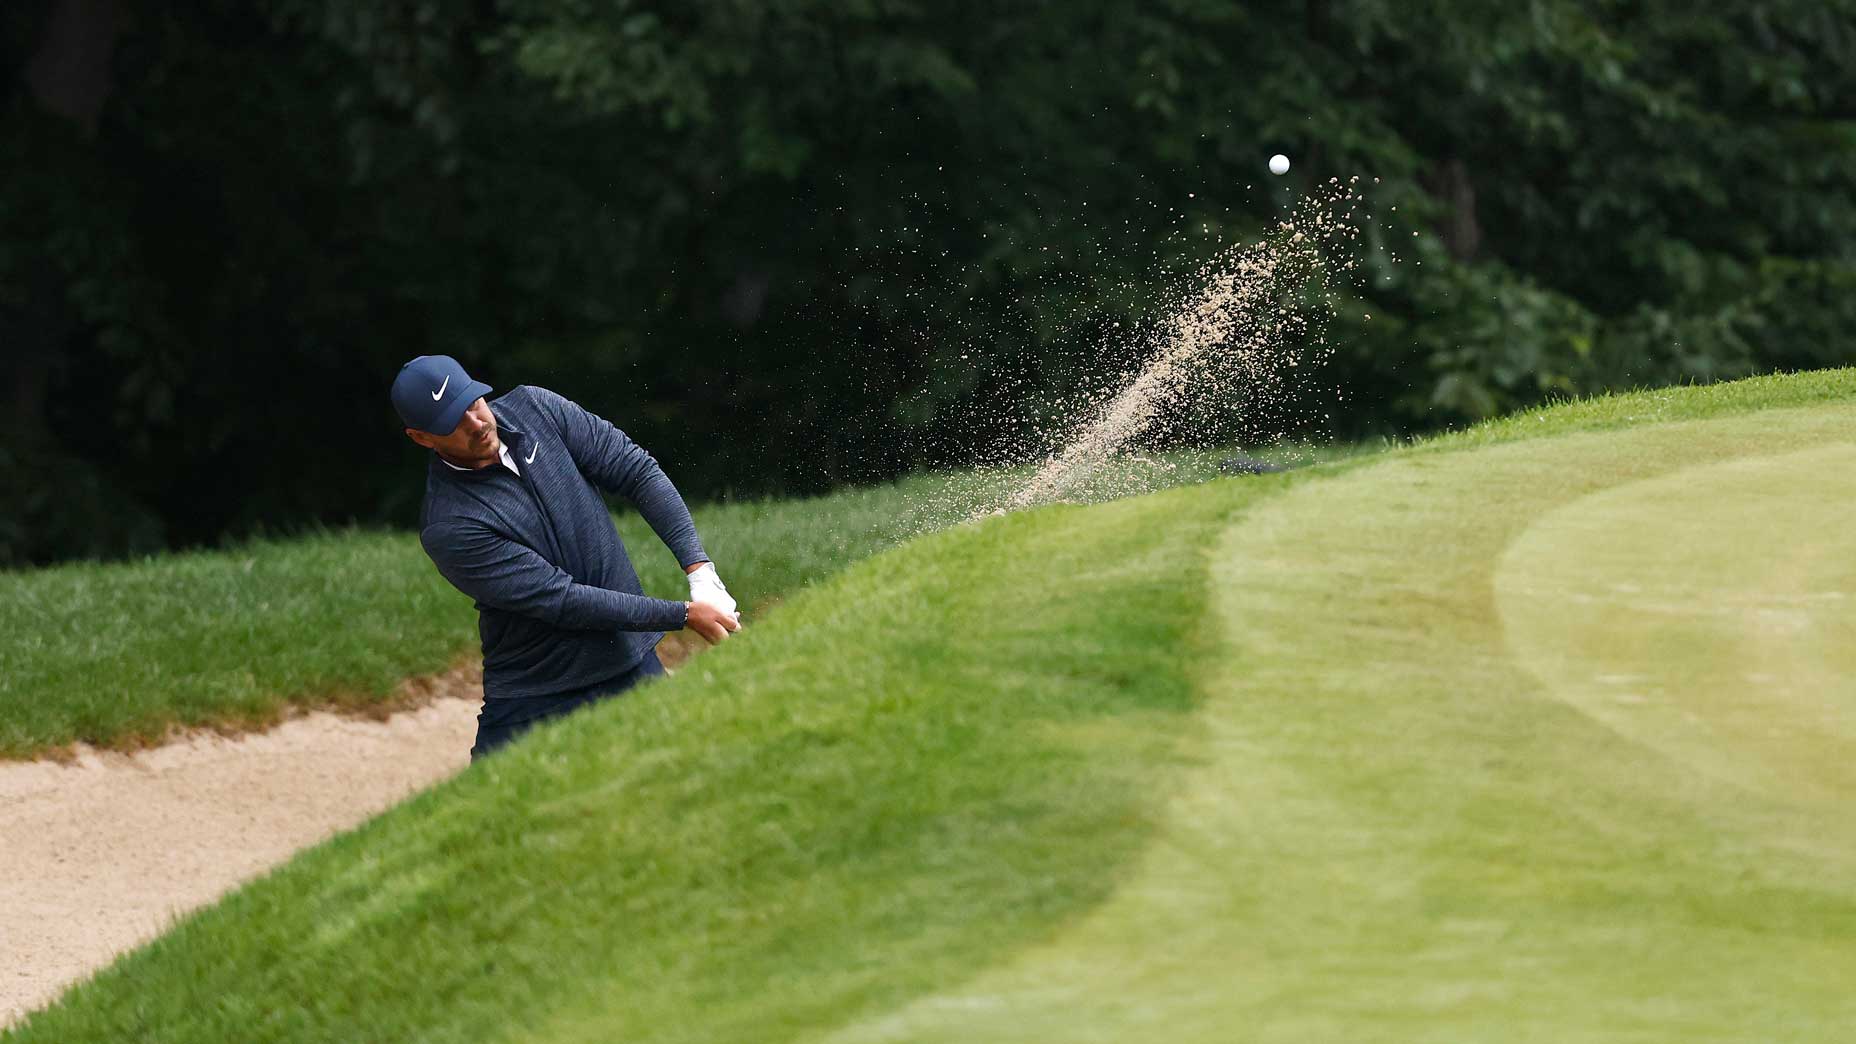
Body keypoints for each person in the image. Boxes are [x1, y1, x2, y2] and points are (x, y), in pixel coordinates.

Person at [390, 354, 741, 761]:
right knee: (499, 816)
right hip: (539, 694)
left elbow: (635, 470)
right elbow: (563, 599)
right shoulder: (450, 524)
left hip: (627, 660)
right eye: (452, 421)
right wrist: (683, 614)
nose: (476, 424)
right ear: (421, 437)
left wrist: (700, 570)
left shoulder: (536, 409)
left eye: (473, 403)